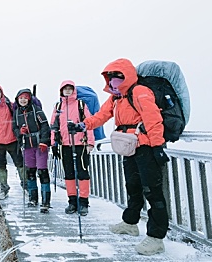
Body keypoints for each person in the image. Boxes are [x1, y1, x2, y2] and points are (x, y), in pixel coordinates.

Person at [68, 58, 170, 256]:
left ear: (127, 76)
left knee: (152, 191)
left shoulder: (139, 91)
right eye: (111, 76)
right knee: (132, 186)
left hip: (146, 148)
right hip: (128, 146)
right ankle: (130, 223)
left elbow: (154, 120)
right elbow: (101, 116)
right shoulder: (117, 97)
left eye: (118, 76)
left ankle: (156, 238)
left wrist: (157, 146)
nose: (113, 80)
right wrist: (83, 125)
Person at [49, 80, 95, 216]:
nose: (67, 91)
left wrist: (90, 143)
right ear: (61, 91)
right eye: (65, 89)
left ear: (74, 90)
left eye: (70, 89)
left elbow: (89, 123)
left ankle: (84, 202)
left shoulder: (81, 105)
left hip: (81, 143)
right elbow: (54, 127)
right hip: (64, 145)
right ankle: (72, 202)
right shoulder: (58, 106)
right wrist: (54, 144)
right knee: (68, 174)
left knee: (83, 173)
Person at [12, 88, 52, 212]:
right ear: (18, 100)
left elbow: (45, 126)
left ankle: (45, 202)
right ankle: (33, 199)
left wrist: (44, 142)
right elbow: (14, 128)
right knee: (30, 172)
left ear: (29, 99)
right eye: (21, 98)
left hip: (40, 144)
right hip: (27, 145)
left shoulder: (36, 111)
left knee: (42, 172)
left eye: (25, 98)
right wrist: (20, 132)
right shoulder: (17, 112)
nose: (23, 100)